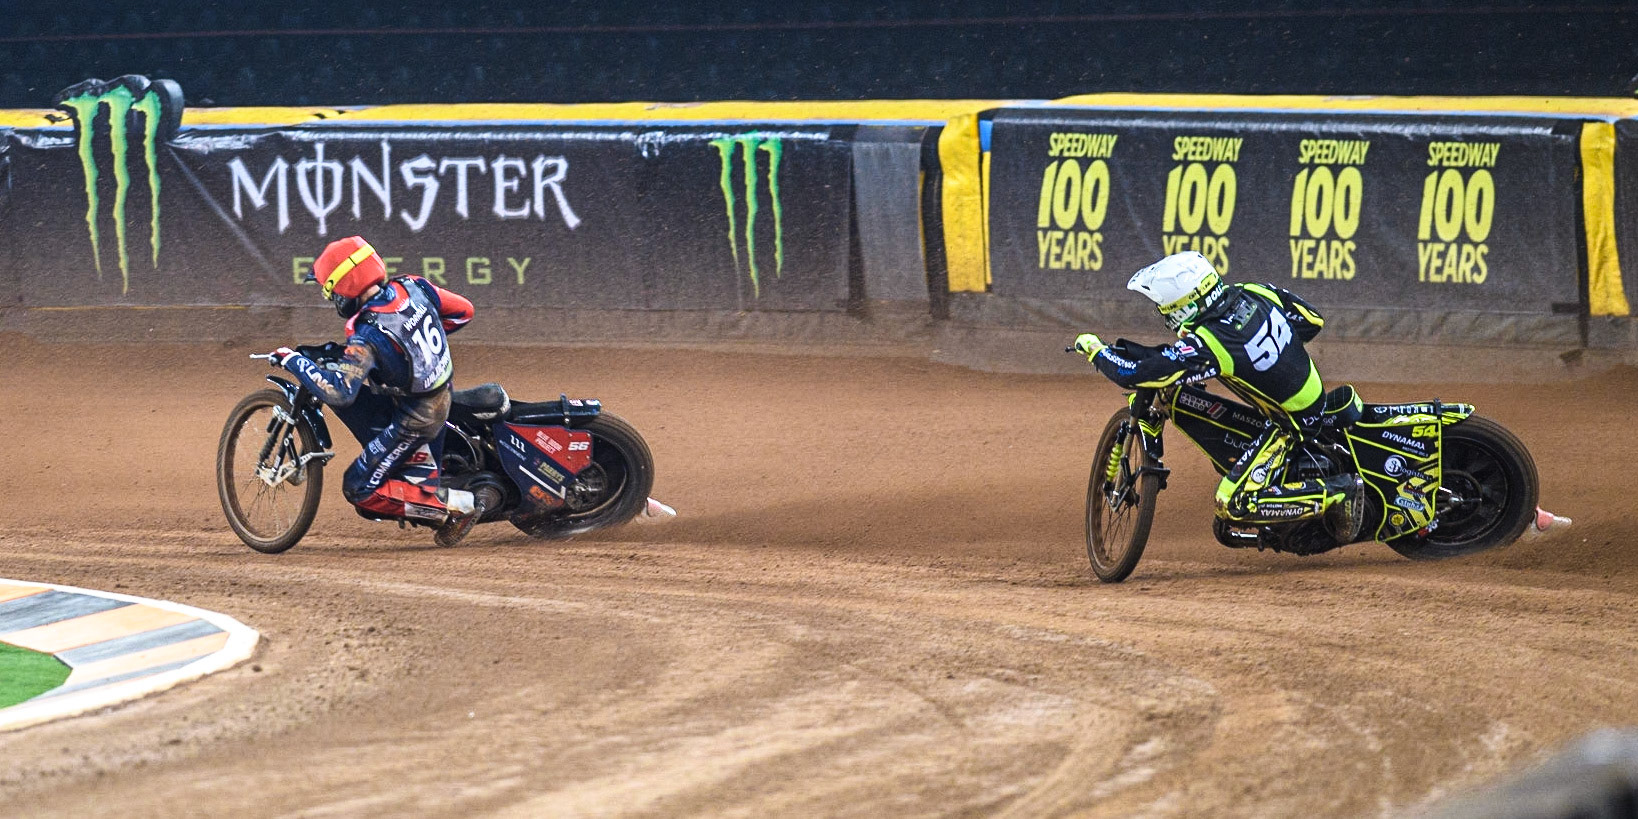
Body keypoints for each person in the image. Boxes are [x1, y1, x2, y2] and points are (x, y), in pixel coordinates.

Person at [1071, 251, 1364, 543]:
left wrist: (1097, 351)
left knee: (1231, 503)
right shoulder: (1251, 291)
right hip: (1305, 399)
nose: (1166, 319)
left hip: (1290, 424)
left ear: (1183, 308)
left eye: (1167, 311)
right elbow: (1311, 321)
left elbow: (1136, 374)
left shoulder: (1212, 343)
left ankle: (1336, 494)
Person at [266, 236, 482, 547]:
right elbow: (464, 311)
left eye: (331, 292)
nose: (332, 300)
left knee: (358, 488)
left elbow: (341, 393)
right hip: (437, 389)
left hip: (417, 415)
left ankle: (452, 508)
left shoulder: (366, 333)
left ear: (345, 287)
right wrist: (413, 341)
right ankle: (423, 479)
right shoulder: (414, 286)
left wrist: (293, 360)